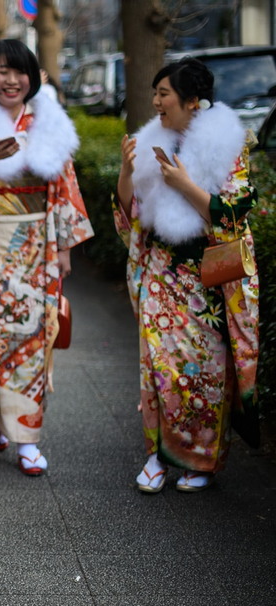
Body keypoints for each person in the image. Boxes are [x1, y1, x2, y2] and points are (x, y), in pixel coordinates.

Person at [0, 39, 92, 475]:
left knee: (32, 338)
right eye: (2, 71)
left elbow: (65, 188)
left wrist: (64, 249)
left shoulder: (48, 120)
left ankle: (27, 436)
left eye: (20, 72)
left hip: (37, 245)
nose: (11, 80)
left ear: (32, 77)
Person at [115, 58, 259, 493]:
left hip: (204, 280)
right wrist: (126, 169)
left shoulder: (228, 145)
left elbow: (234, 213)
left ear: (193, 101)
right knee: (157, 367)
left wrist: (184, 185)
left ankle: (201, 460)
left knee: (205, 372)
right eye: (155, 93)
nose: (156, 101)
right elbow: (130, 212)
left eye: (165, 94)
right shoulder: (151, 140)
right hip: (161, 270)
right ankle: (156, 457)